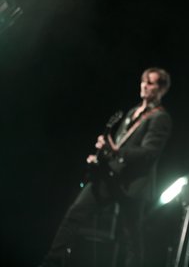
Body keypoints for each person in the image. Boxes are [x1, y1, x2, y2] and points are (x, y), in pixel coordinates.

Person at [40, 67, 172, 267]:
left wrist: (116, 150)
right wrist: (103, 152)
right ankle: (51, 262)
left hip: (132, 185)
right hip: (110, 176)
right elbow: (117, 146)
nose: (144, 85)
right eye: (143, 81)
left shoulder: (160, 117)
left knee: (132, 240)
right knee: (75, 214)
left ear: (161, 89)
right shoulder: (131, 112)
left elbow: (149, 154)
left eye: (151, 82)